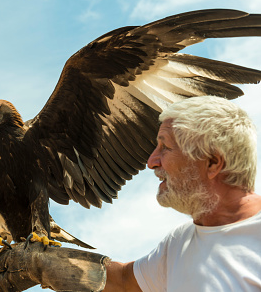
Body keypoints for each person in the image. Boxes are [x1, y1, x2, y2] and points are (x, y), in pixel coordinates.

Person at [104, 96, 261, 291]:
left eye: (165, 147)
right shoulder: (179, 244)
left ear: (212, 163)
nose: (151, 161)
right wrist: (54, 263)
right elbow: (122, 281)